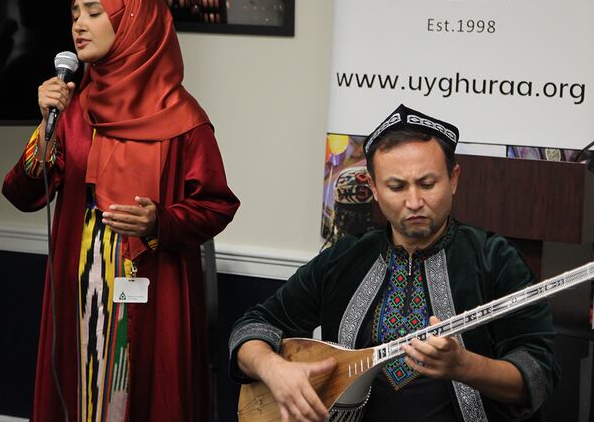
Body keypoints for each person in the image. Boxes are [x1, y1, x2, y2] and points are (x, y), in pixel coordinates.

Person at [2, 0, 240, 422]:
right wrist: (45, 125)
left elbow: (216, 205)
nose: (78, 24)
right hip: (79, 275)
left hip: (151, 280)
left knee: (138, 395)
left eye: (94, 12)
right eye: (75, 14)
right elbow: (22, 191)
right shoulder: (72, 107)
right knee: (81, 385)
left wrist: (160, 223)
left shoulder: (184, 118)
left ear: (132, 21)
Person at [229, 104, 558, 422]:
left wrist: (464, 365)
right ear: (373, 187)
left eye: (427, 184)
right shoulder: (345, 258)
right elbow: (253, 327)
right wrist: (274, 370)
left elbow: (539, 371)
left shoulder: (494, 259)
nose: (414, 202)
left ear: (454, 179)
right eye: (396, 187)